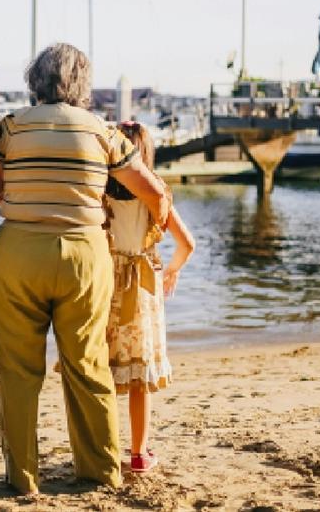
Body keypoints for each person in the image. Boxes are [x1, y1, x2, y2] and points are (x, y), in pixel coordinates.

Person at [0, 43, 171, 494]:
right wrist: (153, 235)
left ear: (36, 80)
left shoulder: (9, 128)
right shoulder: (103, 132)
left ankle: (22, 476)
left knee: (18, 370)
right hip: (85, 257)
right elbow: (154, 193)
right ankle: (99, 471)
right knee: (88, 365)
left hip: (17, 254)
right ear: (83, 84)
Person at [103, 121, 195, 474]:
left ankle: (106, 449)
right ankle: (139, 454)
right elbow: (187, 243)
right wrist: (172, 269)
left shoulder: (101, 195)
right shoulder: (157, 196)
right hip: (143, 289)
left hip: (108, 285)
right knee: (140, 380)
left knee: (106, 373)